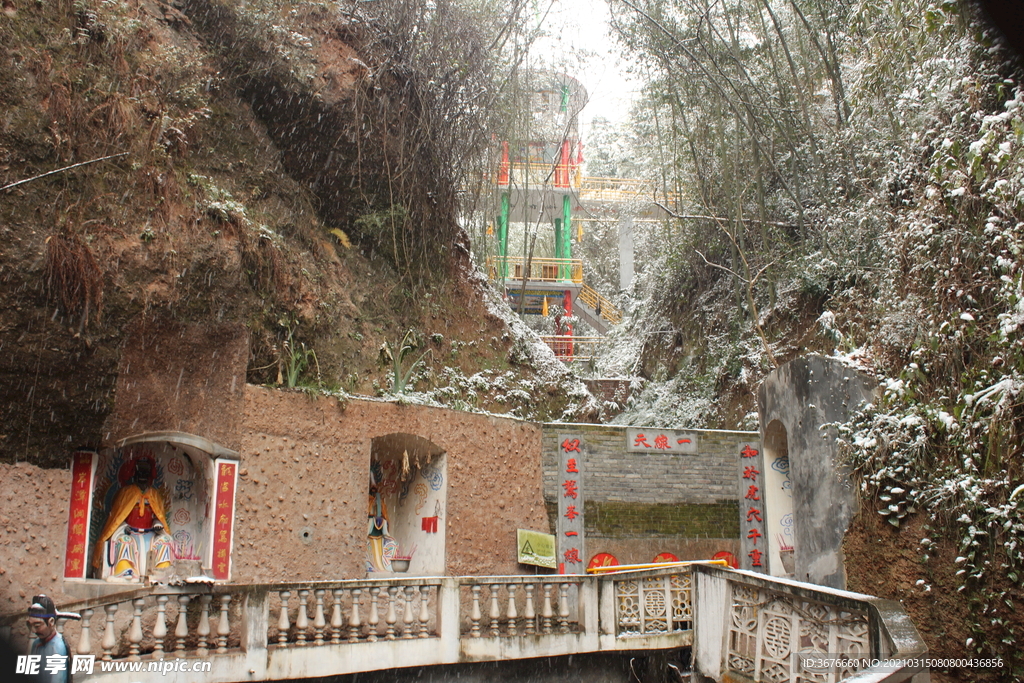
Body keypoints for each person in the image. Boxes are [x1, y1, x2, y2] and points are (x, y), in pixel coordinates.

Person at [91, 456, 174, 580]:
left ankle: (162, 571)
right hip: (130, 532)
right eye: (139, 472)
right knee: (124, 541)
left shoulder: (154, 494)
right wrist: (124, 527)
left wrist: (157, 523)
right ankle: (125, 570)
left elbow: (158, 515)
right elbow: (118, 517)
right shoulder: (126, 493)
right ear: (134, 474)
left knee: (165, 541)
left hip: (150, 533)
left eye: (146, 473)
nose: (142, 476)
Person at [27, 595, 70, 683]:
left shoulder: (58, 646)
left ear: (51, 622)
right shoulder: (36, 644)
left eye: (37, 626)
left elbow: (58, 679)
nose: (33, 630)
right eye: (30, 625)